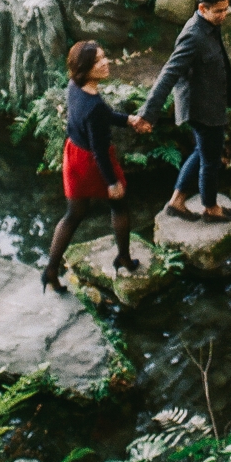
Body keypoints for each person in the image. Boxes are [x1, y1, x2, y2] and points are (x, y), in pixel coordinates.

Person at [41, 40, 151, 292]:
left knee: (73, 215)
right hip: (93, 161)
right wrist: (112, 183)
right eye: (98, 61)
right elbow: (100, 150)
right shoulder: (95, 106)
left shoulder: (75, 86)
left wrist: (129, 120)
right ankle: (123, 257)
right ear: (86, 69)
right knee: (120, 205)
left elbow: (102, 117)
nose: (106, 62)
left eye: (104, 56)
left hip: (74, 155)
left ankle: (50, 270)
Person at [138, 0, 231, 223]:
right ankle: (211, 208)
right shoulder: (193, 36)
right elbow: (169, 73)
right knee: (211, 159)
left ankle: (177, 201)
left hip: (210, 101)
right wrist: (148, 113)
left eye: (226, 8)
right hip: (202, 108)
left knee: (201, 151)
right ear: (202, 8)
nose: (224, 15)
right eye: (218, 11)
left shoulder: (209, 24)